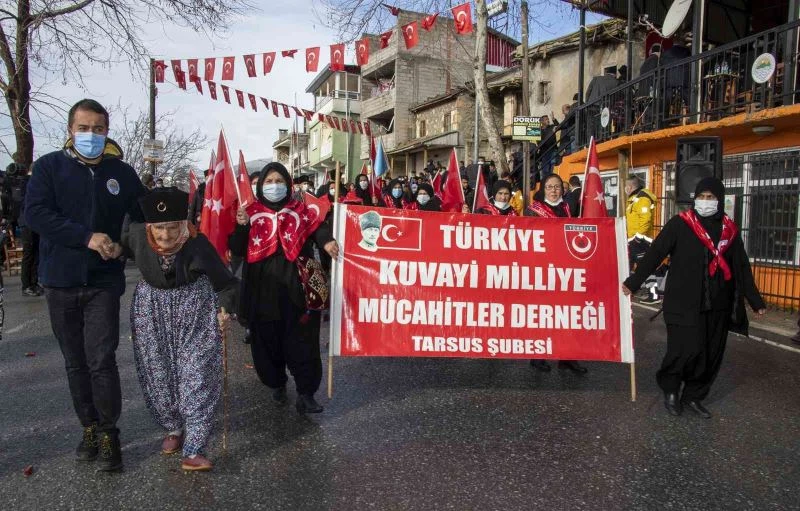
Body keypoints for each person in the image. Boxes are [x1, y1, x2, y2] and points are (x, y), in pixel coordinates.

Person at [24, 98, 147, 471]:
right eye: (83, 128)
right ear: (70, 130)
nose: (90, 135)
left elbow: (143, 217)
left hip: (103, 282)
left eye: (98, 129)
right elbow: (36, 214)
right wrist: (86, 237)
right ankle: (89, 428)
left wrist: (124, 246)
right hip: (60, 281)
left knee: (101, 359)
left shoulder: (121, 173)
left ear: (106, 132)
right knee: (75, 362)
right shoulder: (48, 167)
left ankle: (109, 434)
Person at [622, 177, 766, 418]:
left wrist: (755, 300)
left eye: (711, 197)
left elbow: (741, 266)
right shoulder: (680, 224)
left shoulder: (729, 230)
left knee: (710, 354)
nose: (705, 201)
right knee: (684, 350)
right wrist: (633, 282)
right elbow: (656, 253)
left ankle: (693, 396)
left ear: (719, 200)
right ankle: (670, 389)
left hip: (718, 304)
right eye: (702, 197)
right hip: (683, 302)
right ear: (695, 199)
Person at [122, 187, 237, 471]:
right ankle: (173, 427)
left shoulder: (197, 244)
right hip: (151, 312)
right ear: (149, 227)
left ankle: (194, 447)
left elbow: (227, 283)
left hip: (195, 313)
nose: (165, 235)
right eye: (159, 228)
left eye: (173, 228)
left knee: (196, 374)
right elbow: (115, 242)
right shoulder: (136, 236)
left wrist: (225, 310)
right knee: (158, 374)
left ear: (183, 225)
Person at [229, 162, 339, 414]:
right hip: (261, 291)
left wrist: (327, 242)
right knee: (267, 342)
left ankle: (306, 393)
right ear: (260, 186)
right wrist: (242, 226)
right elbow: (237, 249)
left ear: (288, 185)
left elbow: (318, 229)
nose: (274, 186)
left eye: (279, 181)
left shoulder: (300, 210)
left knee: (303, 341)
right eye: (269, 182)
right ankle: (276, 382)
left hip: (298, 288)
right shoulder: (249, 213)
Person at [524, 174, 588, 375]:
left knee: (568, 314)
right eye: (550, 187)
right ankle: (538, 355)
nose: (554, 190)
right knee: (543, 314)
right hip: (542, 269)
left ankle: (567, 357)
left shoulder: (568, 208)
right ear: (543, 189)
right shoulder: (533, 210)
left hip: (566, 268)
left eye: (558, 187)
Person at [6, 162, 42, 296]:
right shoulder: (22, 183)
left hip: (34, 222)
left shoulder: (29, 182)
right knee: (29, 253)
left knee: (36, 252)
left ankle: (34, 282)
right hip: (26, 222)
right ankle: (26, 285)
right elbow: (22, 201)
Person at [624, 175, 660, 304]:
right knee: (628, 265)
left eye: (626, 186)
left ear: (630, 186)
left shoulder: (642, 199)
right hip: (633, 239)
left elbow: (645, 219)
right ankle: (630, 289)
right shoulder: (634, 199)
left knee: (643, 267)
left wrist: (638, 237)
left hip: (640, 240)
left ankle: (653, 294)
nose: (625, 189)